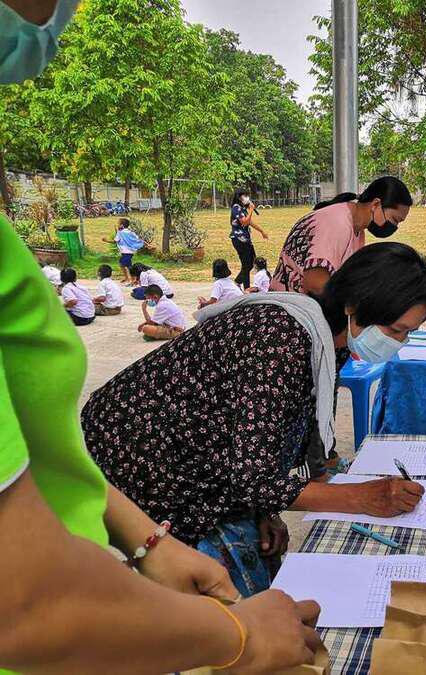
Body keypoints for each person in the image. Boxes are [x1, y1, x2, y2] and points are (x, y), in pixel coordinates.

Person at [0, 4, 323, 673]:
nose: (63, 13)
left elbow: (32, 446)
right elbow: (23, 605)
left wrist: (146, 540)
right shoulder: (275, 332)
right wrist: (238, 636)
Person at [83, 243, 426, 596]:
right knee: (220, 590)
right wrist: (361, 498)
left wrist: (266, 510)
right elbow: (250, 478)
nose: (400, 342)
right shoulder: (279, 340)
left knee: (256, 562)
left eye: (409, 332)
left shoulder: (331, 340)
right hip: (143, 451)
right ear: (354, 305)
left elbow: (270, 433)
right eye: (396, 330)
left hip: (207, 449)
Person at [271, 176, 412, 295]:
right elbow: (315, 284)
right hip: (289, 309)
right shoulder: (336, 223)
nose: (394, 227)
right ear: (376, 204)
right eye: (395, 220)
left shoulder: (357, 230)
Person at [230, 190, 269, 290]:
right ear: (239, 197)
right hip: (239, 239)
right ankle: (242, 285)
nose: (247, 198)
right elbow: (244, 222)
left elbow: (249, 222)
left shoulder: (242, 208)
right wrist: (251, 209)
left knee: (250, 263)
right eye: (245, 196)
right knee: (246, 265)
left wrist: (262, 231)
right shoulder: (236, 207)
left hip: (246, 239)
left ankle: (241, 284)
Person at [103, 217, 144, 285]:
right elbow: (137, 239)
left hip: (125, 252)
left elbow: (115, 241)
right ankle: (132, 278)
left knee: (123, 265)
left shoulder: (120, 233)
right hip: (130, 252)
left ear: (122, 225)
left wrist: (106, 240)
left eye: (118, 224)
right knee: (128, 266)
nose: (117, 225)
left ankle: (129, 279)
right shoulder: (130, 232)